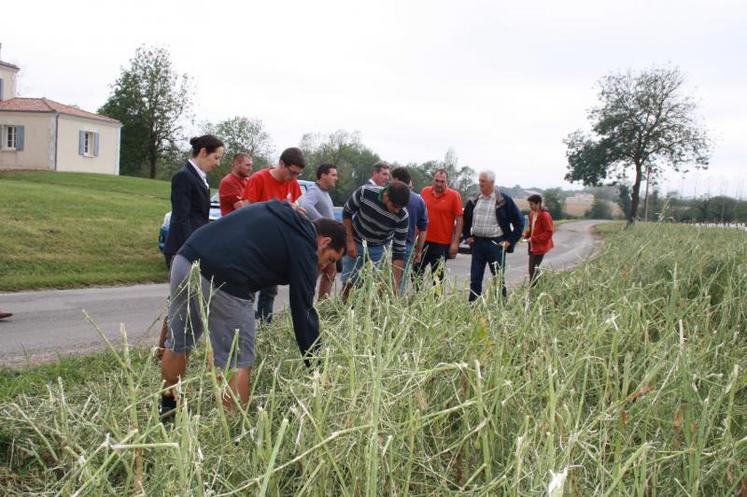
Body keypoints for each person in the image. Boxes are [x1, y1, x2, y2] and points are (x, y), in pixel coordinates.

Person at [159, 200, 346, 420]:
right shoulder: (305, 244)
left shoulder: (283, 215)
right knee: (237, 360)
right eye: (330, 259)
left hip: (185, 259)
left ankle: (168, 411)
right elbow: (303, 311)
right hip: (224, 278)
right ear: (324, 241)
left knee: (179, 343)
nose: (324, 266)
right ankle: (234, 433)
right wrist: (318, 367)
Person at [157, 135, 224, 359]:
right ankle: (165, 350)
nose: (218, 163)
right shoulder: (184, 177)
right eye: (216, 157)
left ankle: (168, 349)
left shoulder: (200, 178)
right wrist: (190, 249)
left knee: (186, 302)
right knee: (179, 302)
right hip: (182, 249)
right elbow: (181, 217)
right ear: (203, 152)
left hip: (195, 246)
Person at [241, 147, 306, 323]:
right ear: (282, 164)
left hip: (275, 247)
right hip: (255, 246)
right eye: (292, 172)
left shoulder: (293, 183)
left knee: (269, 291)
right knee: (248, 292)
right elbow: (247, 212)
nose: (293, 178)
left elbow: (294, 205)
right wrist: (279, 207)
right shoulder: (259, 179)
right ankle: (244, 329)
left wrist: (296, 211)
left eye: (298, 174)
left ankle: (265, 330)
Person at [340, 182, 410, 303]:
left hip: (379, 247)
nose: (395, 211)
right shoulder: (365, 193)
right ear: (386, 195)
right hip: (356, 240)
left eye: (399, 208)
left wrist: (395, 285)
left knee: (372, 287)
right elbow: (347, 212)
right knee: (349, 283)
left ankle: (364, 315)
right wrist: (349, 241)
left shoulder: (402, 216)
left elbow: (399, 250)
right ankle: (343, 309)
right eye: (394, 206)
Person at [462, 170, 524, 301]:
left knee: (498, 279)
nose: (480, 184)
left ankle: (501, 308)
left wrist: (509, 242)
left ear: (492, 182)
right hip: (477, 244)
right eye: (479, 181)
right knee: (475, 279)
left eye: (483, 181)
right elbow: (465, 220)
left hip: (496, 245)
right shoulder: (474, 199)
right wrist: (467, 236)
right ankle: (473, 308)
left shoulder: (504, 201)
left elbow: (520, 222)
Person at [415, 169, 463, 282]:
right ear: (433, 180)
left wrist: (455, 243)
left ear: (446, 181)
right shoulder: (424, 192)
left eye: (442, 181)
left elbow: (459, 220)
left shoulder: (454, 196)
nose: (439, 184)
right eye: (437, 181)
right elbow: (419, 215)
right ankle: (418, 297)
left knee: (437, 277)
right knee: (416, 271)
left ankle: (436, 300)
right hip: (424, 241)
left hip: (442, 244)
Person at [299, 163, 338, 299]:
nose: (336, 178)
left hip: (329, 241)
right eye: (333, 175)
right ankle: (305, 302)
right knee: (315, 272)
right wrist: (324, 223)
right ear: (323, 175)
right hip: (319, 241)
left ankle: (323, 304)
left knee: (331, 271)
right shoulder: (314, 190)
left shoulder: (325, 193)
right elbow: (305, 206)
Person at [390, 166, 428, 294]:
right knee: (400, 280)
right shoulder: (419, 201)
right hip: (407, 245)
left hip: (387, 243)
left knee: (382, 278)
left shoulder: (388, 194)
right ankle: (396, 308)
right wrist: (419, 251)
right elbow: (423, 229)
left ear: (396, 179)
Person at [524, 194, 555, 286]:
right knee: (533, 269)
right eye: (529, 204)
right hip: (532, 246)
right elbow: (531, 228)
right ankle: (540, 285)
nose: (530, 206)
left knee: (533, 269)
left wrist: (533, 239)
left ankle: (533, 288)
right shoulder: (531, 214)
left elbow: (549, 233)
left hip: (540, 246)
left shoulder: (545, 215)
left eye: (532, 204)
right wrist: (526, 235)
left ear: (539, 204)